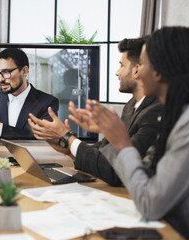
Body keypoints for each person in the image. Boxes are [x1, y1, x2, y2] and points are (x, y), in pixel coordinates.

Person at [86, 27, 189, 238]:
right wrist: (114, 138)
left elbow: (150, 203)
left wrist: (123, 143)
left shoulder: (185, 126)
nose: (138, 72)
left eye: (143, 64)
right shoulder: (172, 116)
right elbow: (146, 176)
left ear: (158, 71)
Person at [28, 37, 162, 186]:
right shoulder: (131, 106)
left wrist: (67, 138)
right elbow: (104, 151)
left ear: (136, 70)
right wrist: (68, 148)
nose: (117, 73)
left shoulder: (155, 112)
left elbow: (117, 171)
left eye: (122, 66)